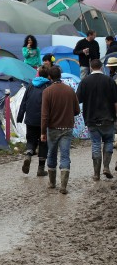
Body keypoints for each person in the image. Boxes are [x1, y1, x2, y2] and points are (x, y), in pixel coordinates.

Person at [41, 66, 80, 194]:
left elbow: (45, 115)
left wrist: (42, 131)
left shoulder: (47, 92)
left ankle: (52, 183)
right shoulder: (70, 90)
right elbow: (77, 111)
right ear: (60, 76)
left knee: (51, 154)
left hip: (52, 128)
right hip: (67, 128)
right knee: (65, 155)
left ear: (49, 77)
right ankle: (63, 186)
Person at [76, 58, 117, 180]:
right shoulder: (109, 81)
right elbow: (115, 102)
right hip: (108, 118)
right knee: (109, 141)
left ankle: (96, 173)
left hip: (91, 118)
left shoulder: (85, 82)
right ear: (101, 67)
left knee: (95, 144)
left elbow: (78, 100)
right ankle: (106, 167)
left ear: (90, 67)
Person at [17, 67, 51, 177]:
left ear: (38, 74)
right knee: (43, 143)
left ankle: (28, 154)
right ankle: (40, 169)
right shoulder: (48, 86)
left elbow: (24, 101)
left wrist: (20, 117)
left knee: (31, 139)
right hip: (43, 120)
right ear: (48, 75)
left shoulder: (31, 85)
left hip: (30, 118)